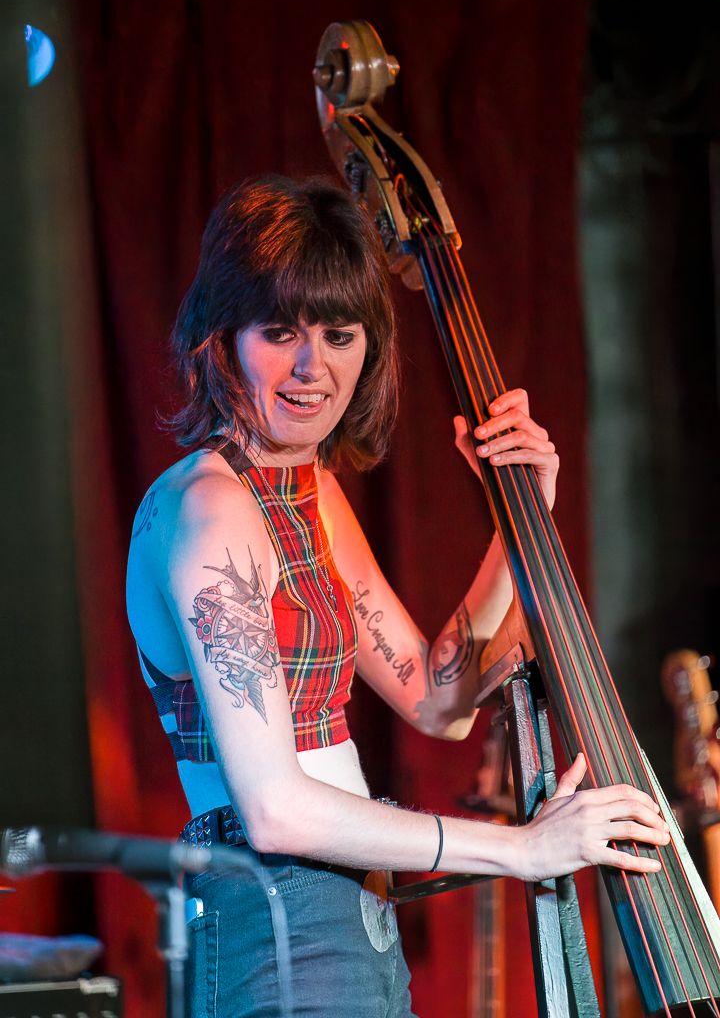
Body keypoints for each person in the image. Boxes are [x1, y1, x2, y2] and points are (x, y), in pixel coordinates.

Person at [126, 175, 670, 1018]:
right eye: (280, 332)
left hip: (351, 915)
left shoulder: (308, 492)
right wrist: (523, 850)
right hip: (278, 920)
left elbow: (436, 700)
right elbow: (273, 810)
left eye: (339, 335)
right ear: (222, 337)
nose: (312, 368)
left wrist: (519, 518)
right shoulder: (211, 508)